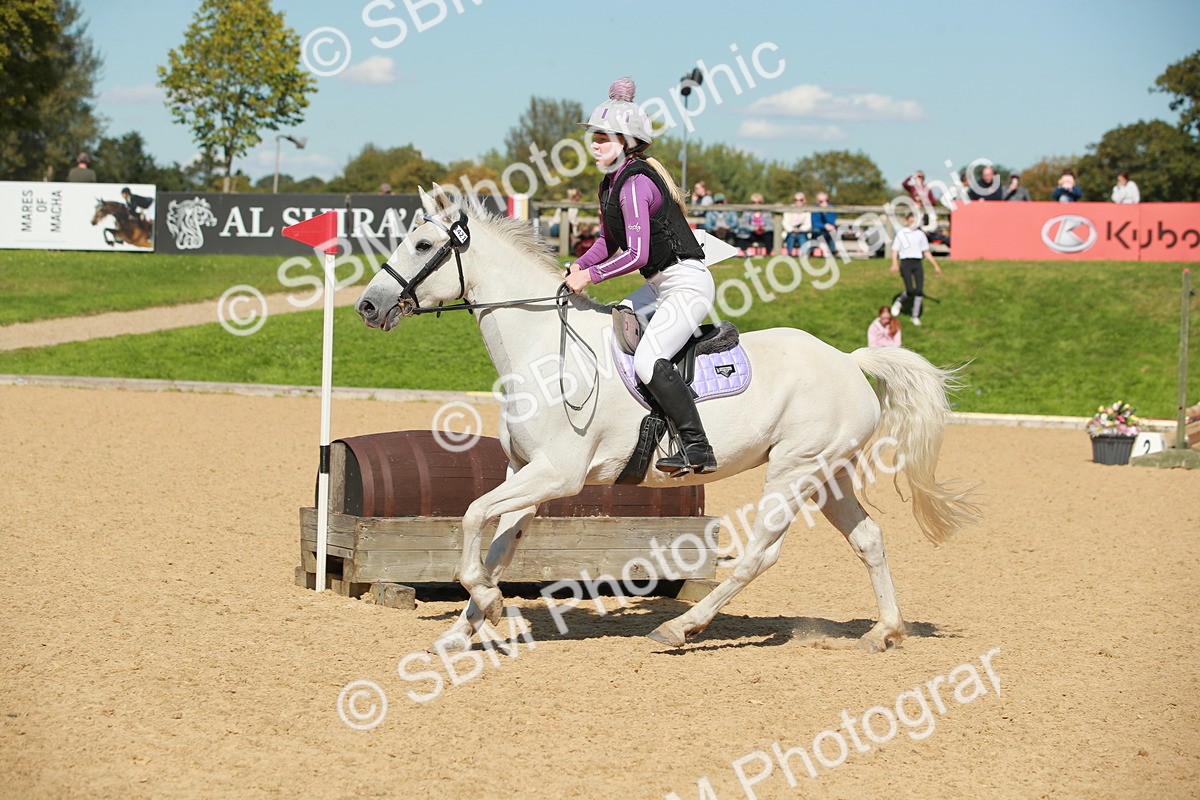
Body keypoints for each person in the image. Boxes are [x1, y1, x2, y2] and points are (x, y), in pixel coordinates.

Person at [565, 77, 717, 475]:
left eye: (603, 137)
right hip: (658, 285)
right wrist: (580, 265)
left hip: (686, 284)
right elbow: (608, 243)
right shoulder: (609, 184)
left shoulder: (634, 183)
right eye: (593, 136)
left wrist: (591, 277)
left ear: (628, 142)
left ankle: (697, 446)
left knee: (649, 360)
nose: (594, 143)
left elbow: (637, 254)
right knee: (612, 329)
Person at [889, 212, 942, 327]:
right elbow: (895, 250)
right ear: (907, 220)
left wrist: (936, 266)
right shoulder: (901, 233)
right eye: (911, 220)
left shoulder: (920, 234)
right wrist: (894, 263)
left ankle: (915, 316)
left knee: (919, 290)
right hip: (906, 262)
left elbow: (926, 252)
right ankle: (899, 301)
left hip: (917, 262)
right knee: (910, 289)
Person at [781, 192, 812, 256]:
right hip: (791, 231)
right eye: (796, 200)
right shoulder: (789, 209)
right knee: (791, 236)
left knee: (802, 236)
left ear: (804, 200)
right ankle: (789, 254)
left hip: (802, 231)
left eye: (801, 200)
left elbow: (808, 224)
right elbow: (785, 222)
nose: (798, 202)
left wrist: (801, 229)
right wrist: (792, 229)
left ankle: (805, 254)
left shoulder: (807, 210)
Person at [809, 192, 839, 257]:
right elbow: (814, 223)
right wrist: (824, 226)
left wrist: (825, 213)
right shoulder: (814, 208)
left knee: (832, 231)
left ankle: (833, 252)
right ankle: (812, 251)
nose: (825, 203)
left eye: (826, 200)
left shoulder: (831, 208)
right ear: (817, 202)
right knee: (816, 231)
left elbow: (832, 222)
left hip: (828, 230)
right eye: (821, 201)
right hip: (819, 230)